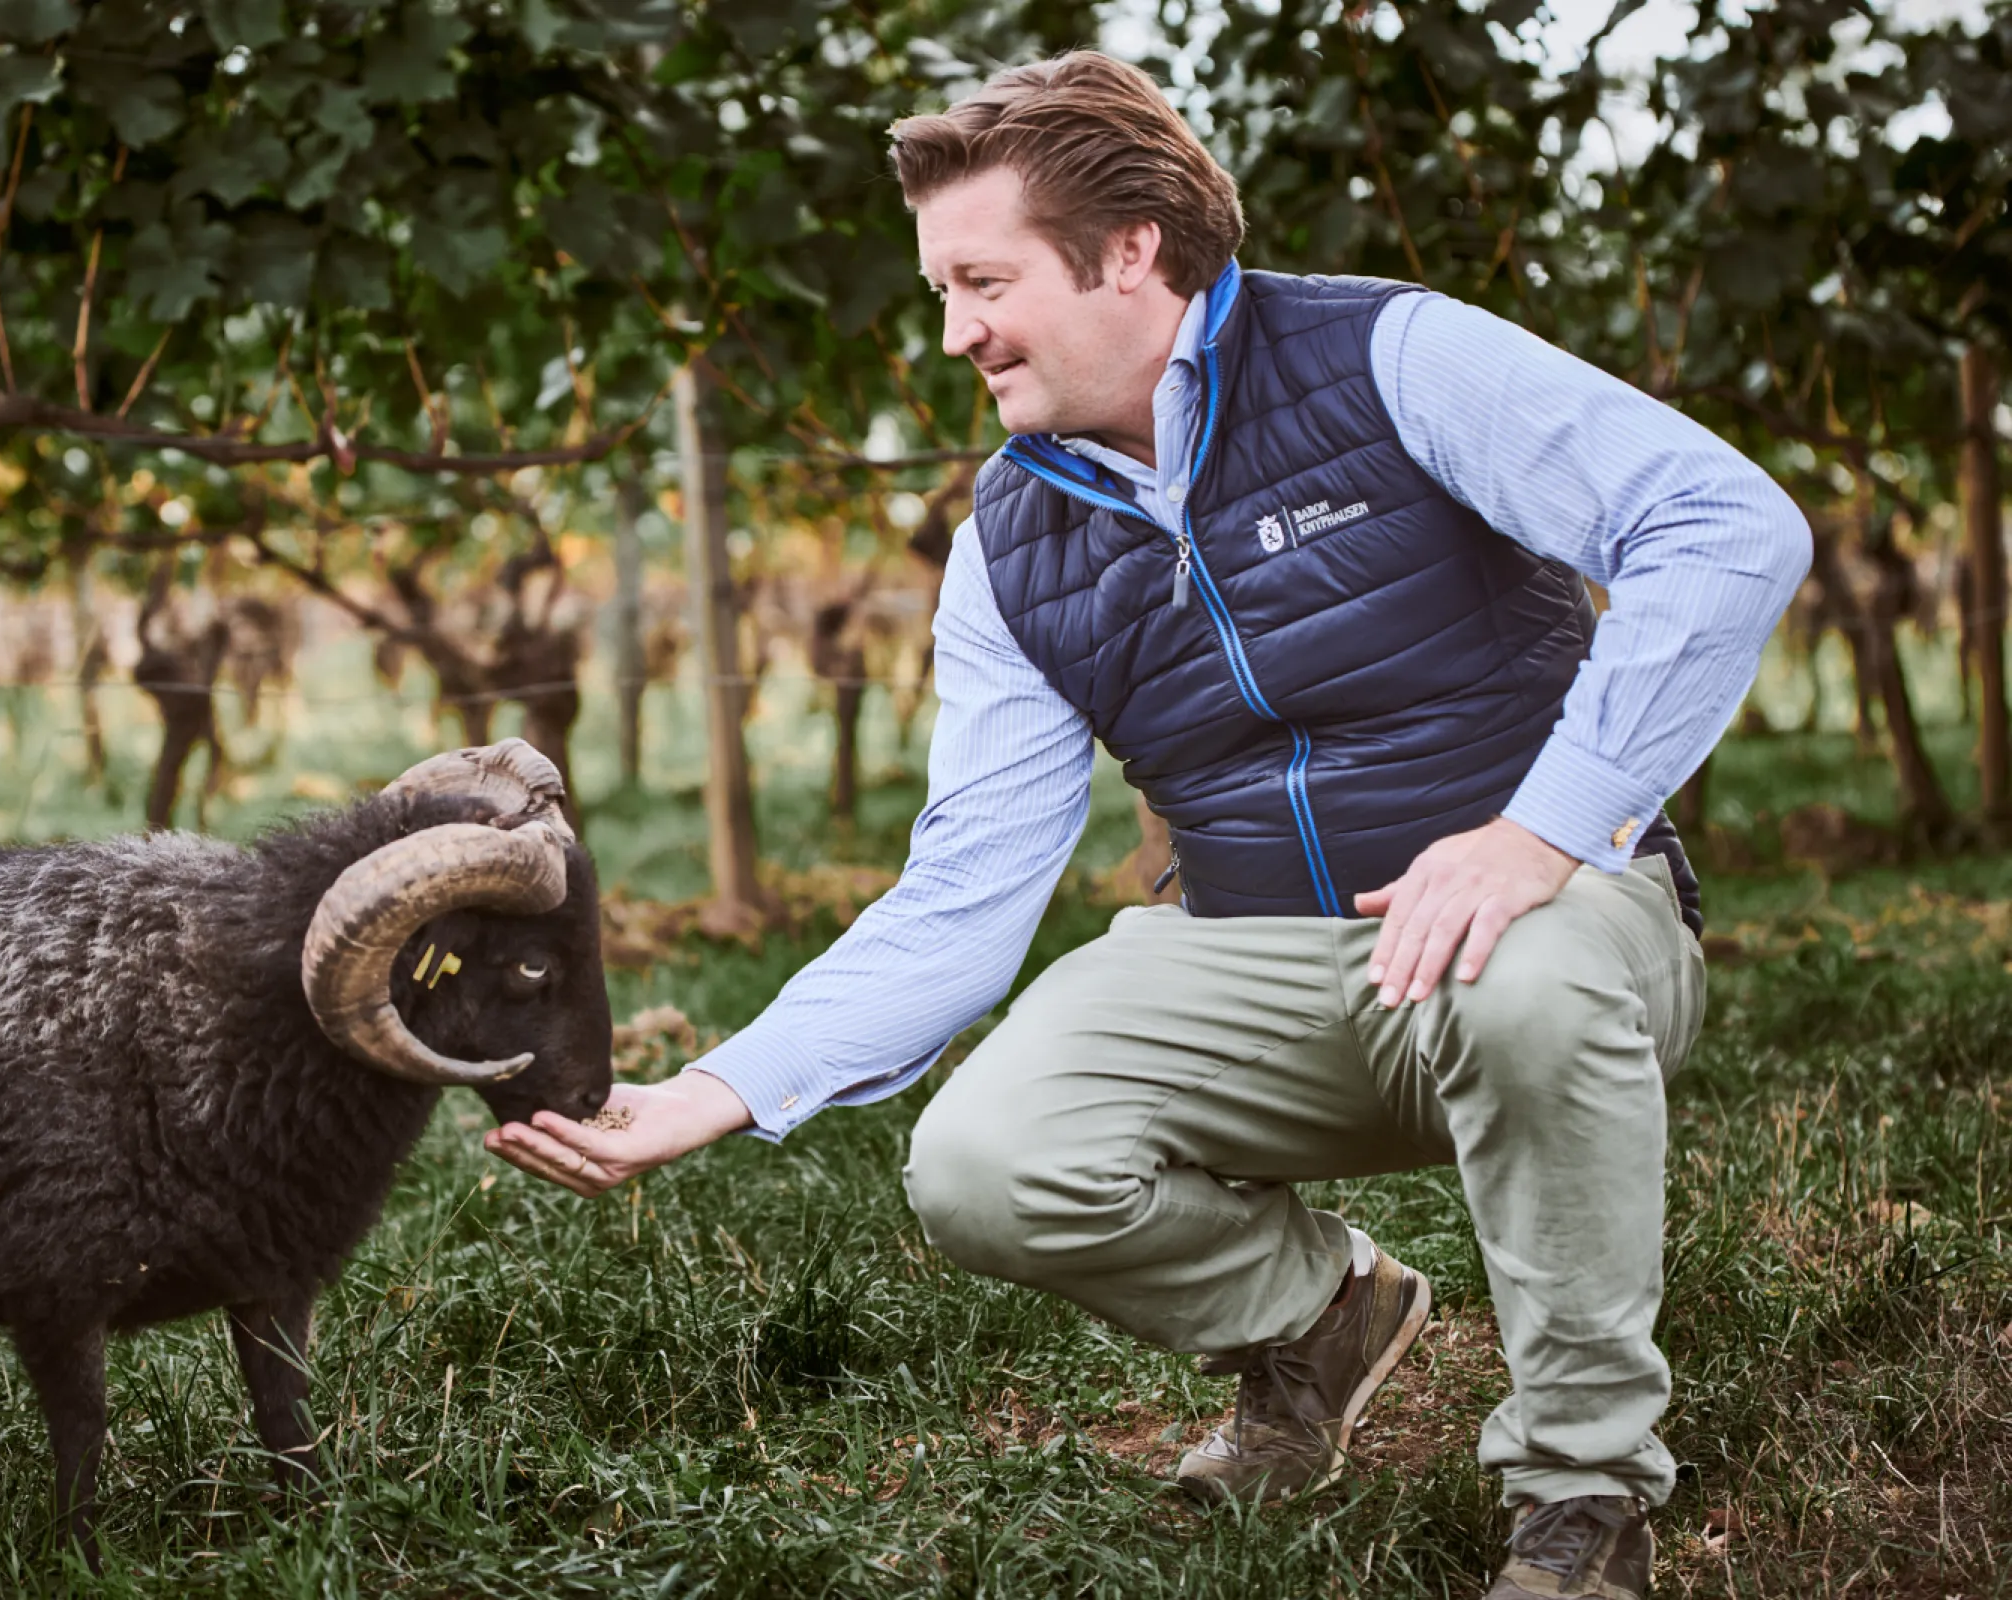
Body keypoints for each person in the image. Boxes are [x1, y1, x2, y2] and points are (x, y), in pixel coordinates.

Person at [486, 50, 1809, 1600]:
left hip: (1556, 928)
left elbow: (1724, 528)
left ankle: (1579, 1490)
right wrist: (717, 1091)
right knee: (983, 1159)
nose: (952, 330)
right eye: (937, 289)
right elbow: (968, 883)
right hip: (1260, 952)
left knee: (1519, 980)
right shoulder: (1009, 543)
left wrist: (1541, 832)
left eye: (981, 279)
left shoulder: (1393, 355)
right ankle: (1318, 1321)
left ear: (1129, 253)